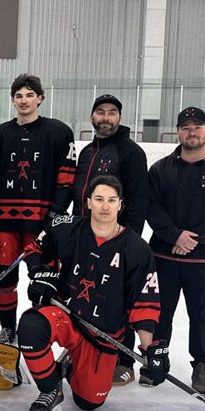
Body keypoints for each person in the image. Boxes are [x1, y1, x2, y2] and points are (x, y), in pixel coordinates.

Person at [16, 175, 161, 411]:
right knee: (31, 327)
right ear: (88, 202)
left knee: (89, 402)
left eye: (112, 200)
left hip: (102, 331)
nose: (105, 206)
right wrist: (39, 272)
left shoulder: (138, 250)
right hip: (65, 315)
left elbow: (145, 302)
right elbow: (34, 249)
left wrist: (149, 348)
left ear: (120, 205)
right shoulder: (66, 228)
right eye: (99, 199)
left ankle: (71, 366)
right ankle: (51, 388)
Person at [145, 107, 205, 395]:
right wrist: (175, 235)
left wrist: (192, 240)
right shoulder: (160, 169)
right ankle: (156, 360)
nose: (191, 132)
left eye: (197, 127)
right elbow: (152, 207)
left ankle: (200, 366)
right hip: (163, 256)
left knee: (201, 313)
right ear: (177, 132)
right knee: (160, 312)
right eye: (185, 127)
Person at [0, 73, 76, 347]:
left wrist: (56, 213)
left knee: (44, 279)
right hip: (4, 223)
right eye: (19, 96)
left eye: (29, 95)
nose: (24, 100)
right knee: (3, 279)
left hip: (41, 223)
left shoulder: (59, 132)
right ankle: (8, 328)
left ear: (40, 98)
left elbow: (67, 177)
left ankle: (40, 330)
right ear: (13, 100)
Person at [71, 93, 149, 385]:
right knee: (89, 295)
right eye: (100, 112)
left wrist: (129, 241)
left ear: (120, 118)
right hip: (87, 238)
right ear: (92, 117)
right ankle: (87, 351)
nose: (106, 118)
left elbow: (138, 200)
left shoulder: (130, 152)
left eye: (112, 112)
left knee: (118, 299)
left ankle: (123, 360)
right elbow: (81, 197)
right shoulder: (87, 152)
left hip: (117, 240)